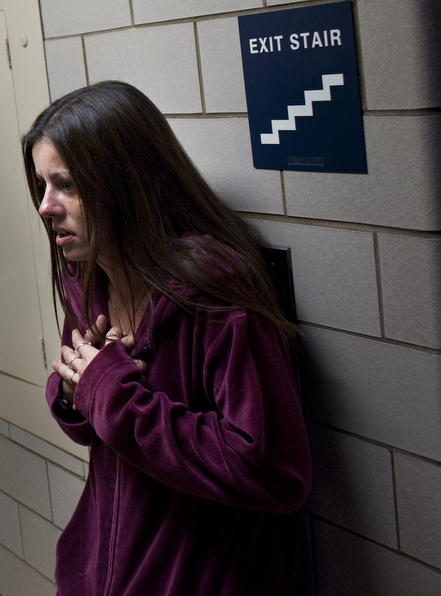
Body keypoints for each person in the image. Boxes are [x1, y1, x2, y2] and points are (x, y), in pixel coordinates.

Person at [20, 81, 312, 596]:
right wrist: (73, 393)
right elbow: (99, 411)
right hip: (108, 573)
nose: (46, 206)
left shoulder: (211, 289)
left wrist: (111, 395)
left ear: (124, 183)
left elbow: (272, 470)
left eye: (65, 184)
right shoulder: (91, 276)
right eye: (43, 185)